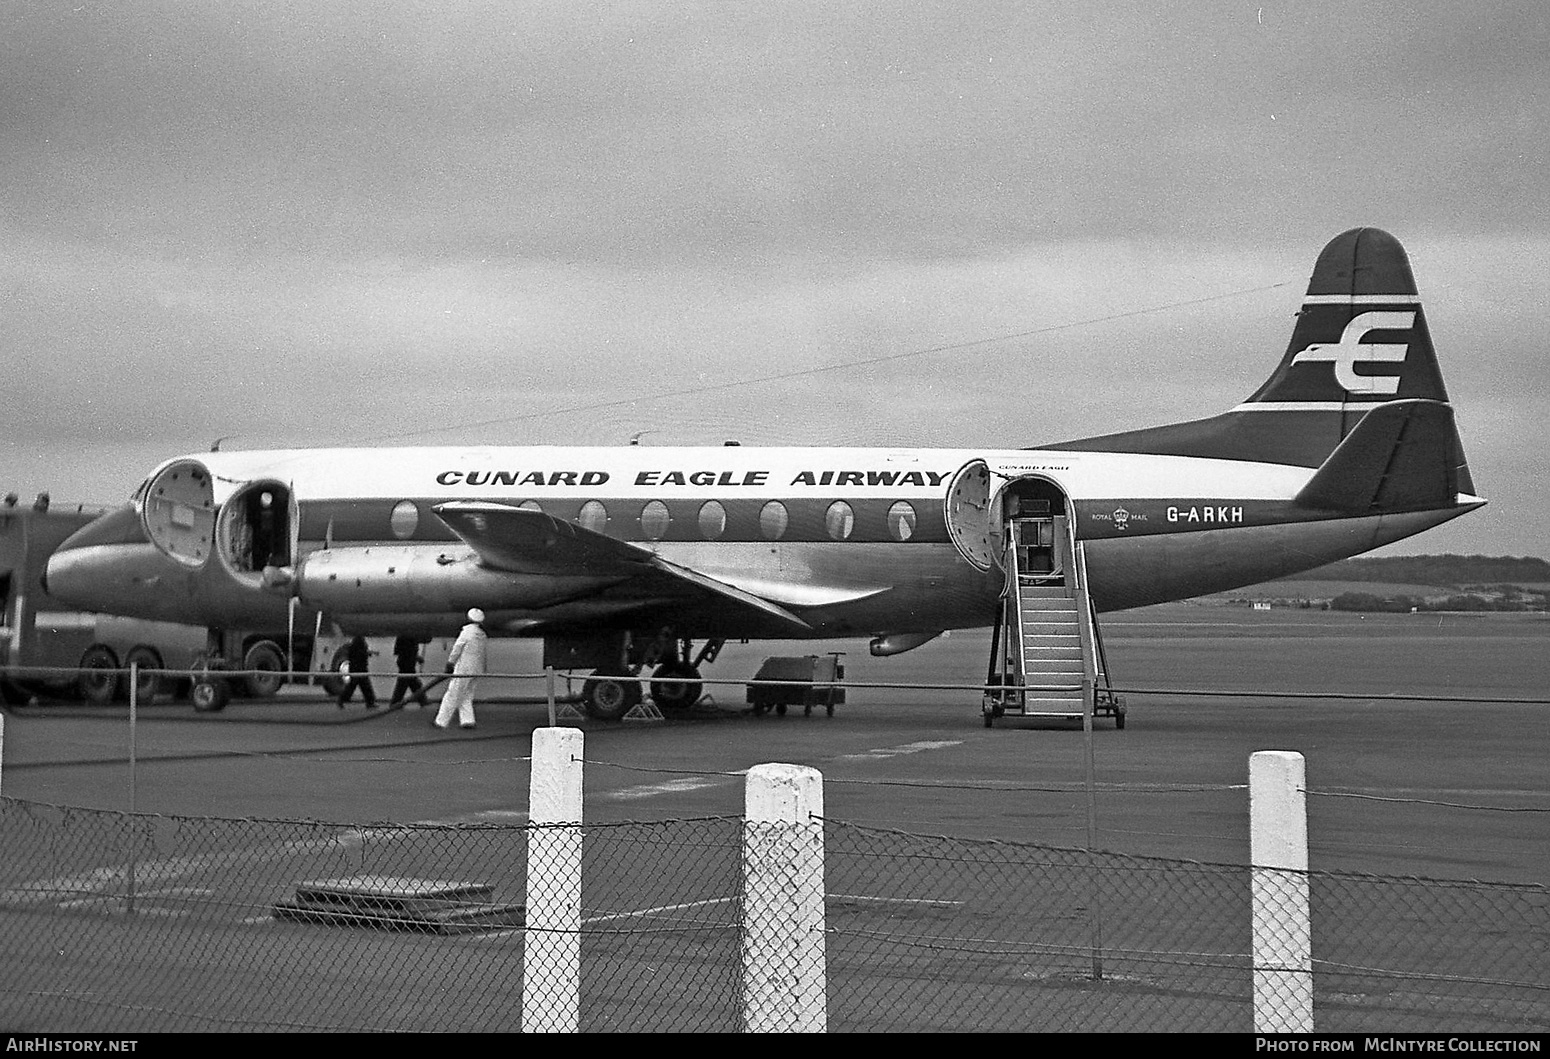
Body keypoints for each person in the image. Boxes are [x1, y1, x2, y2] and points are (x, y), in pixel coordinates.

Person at [435, 609, 487, 730]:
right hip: (476, 670)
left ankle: (441, 721)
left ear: (468, 619)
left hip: (464, 669)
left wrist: (450, 663)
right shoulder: (483, 635)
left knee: (452, 694)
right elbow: (483, 655)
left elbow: (457, 649)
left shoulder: (466, 633)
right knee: (467, 694)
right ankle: (468, 720)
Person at [388, 635, 431, 709]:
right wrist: (417, 657)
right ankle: (421, 700)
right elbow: (408, 650)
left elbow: (403, 650)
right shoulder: (408, 635)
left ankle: (396, 702)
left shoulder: (404, 634)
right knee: (407, 683)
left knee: (409, 682)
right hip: (407, 662)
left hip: (405, 661)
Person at [336, 635, 377, 709]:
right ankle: (370, 702)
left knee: (352, 686)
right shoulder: (360, 644)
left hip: (354, 668)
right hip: (361, 668)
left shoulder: (352, 646)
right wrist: (369, 653)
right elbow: (362, 654)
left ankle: (342, 700)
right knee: (365, 686)